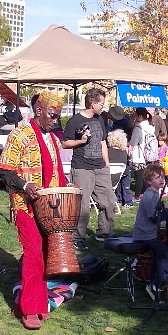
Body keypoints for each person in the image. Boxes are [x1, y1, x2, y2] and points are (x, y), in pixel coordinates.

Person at [0, 91, 67, 330]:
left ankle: (34, 302)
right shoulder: (20, 134)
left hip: (50, 207)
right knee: (33, 253)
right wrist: (26, 186)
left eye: (58, 116)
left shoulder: (54, 140)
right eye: (53, 115)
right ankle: (29, 310)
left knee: (47, 254)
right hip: (25, 205)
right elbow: (4, 170)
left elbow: (57, 172)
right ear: (38, 111)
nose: (56, 120)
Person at [62, 87, 116, 250]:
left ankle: (105, 233)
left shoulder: (100, 119)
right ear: (92, 103)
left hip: (100, 167)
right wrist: (81, 141)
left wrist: (106, 163)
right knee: (82, 205)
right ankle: (77, 237)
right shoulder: (74, 121)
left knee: (108, 201)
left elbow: (102, 142)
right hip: (82, 168)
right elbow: (65, 143)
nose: (103, 106)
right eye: (101, 103)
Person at [134, 164, 168, 301]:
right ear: (148, 181)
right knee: (166, 255)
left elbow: (159, 208)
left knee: (160, 255)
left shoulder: (154, 194)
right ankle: (156, 285)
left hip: (149, 233)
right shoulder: (149, 196)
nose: (161, 180)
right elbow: (155, 217)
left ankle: (153, 282)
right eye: (157, 177)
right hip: (145, 235)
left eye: (162, 176)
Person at [129, 107, 157, 199]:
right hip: (148, 155)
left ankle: (137, 196)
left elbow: (133, 142)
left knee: (139, 176)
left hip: (139, 154)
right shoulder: (151, 127)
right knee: (146, 177)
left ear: (140, 116)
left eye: (136, 115)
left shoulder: (138, 127)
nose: (135, 117)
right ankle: (146, 194)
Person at [107, 128, 133, 209]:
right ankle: (127, 201)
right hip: (120, 175)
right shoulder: (123, 153)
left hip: (108, 178)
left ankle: (119, 199)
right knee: (125, 180)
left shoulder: (107, 152)